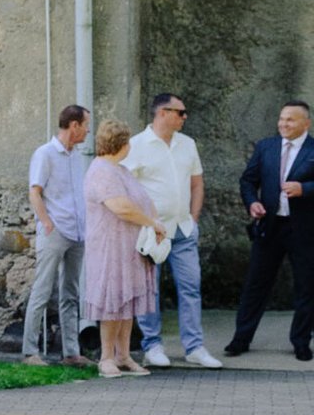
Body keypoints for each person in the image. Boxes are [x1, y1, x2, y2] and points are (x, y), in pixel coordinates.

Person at [125, 93, 221, 369]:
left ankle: (195, 347)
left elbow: (197, 183)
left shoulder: (187, 144)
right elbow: (126, 187)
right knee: (149, 290)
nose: (185, 117)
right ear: (162, 113)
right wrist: (144, 222)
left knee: (191, 287)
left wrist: (193, 218)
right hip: (152, 231)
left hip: (183, 229)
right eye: (180, 112)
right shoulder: (137, 145)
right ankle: (152, 346)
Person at [224, 102, 314, 362]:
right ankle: (241, 338)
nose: (283, 124)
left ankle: (301, 342)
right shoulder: (266, 146)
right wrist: (252, 202)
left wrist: (305, 189)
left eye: (290, 120)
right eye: (281, 118)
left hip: (304, 230)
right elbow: (248, 180)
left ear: (306, 123)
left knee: (307, 287)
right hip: (270, 227)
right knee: (255, 284)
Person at [82, 120, 161, 379]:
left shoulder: (122, 170)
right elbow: (121, 207)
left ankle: (123, 355)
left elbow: (143, 200)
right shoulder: (102, 171)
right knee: (112, 303)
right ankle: (106, 357)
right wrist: (152, 223)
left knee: (126, 303)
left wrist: (154, 221)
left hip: (128, 247)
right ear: (122, 144)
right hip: (109, 248)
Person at [22, 104, 89, 364]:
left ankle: (71, 352)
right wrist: (47, 222)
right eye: (86, 125)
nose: (88, 131)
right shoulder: (45, 154)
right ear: (74, 125)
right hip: (55, 231)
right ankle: (30, 352)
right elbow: (34, 192)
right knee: (42, 290)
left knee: (71, 293)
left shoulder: (77, 156)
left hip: (77, 233)